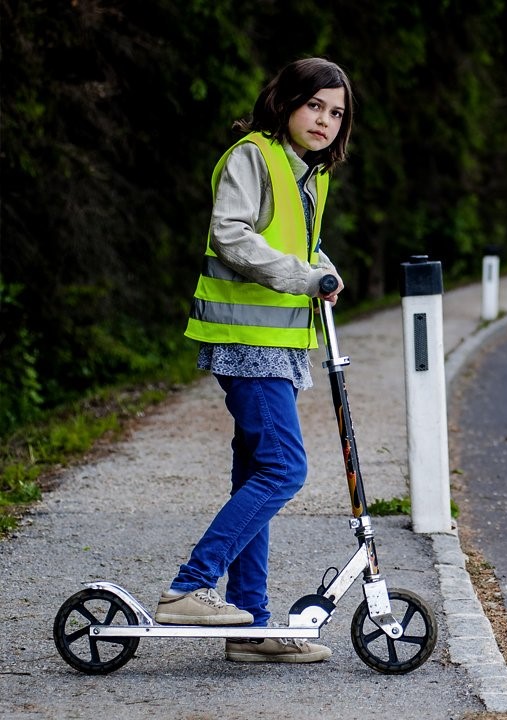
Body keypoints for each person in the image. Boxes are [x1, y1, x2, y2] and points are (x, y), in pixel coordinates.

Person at [157, 57, 354, 664]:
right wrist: (304, 275)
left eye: (336, 113)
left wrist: (324, 267)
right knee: (283, 470)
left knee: (255, 475)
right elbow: (232, 233)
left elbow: (294, 240)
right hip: (247, 341)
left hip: (279, 345)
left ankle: (250, 626)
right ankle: (190, 587)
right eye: (315, 106)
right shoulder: (254, 155)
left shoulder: (309, 174)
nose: (324, 120)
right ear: (288, 102)